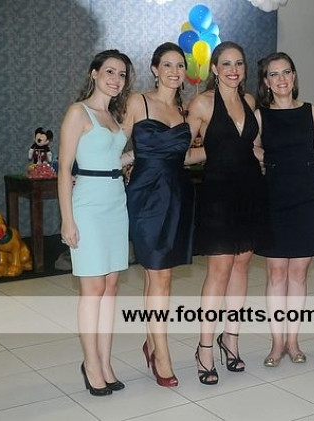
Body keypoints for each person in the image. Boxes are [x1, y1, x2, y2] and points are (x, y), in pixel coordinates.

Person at [122, 42, 204, 388]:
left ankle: (151, 343)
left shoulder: (185, 112)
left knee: (156, 276)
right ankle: (162, 355)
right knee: (160, 276)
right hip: (145, 197)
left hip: (178, 196)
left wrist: (221, 150)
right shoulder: (137, 102)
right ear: (155, 69)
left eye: (179, 65)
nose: (174, 71)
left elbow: (183, 157)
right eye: (167, 65)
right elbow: (116, 145)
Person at [187, 41, 267, 385]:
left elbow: (253, 147)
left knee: (242, 265)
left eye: (239, 63)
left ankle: (230, 338)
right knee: (219, 270)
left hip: (249, 190)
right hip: (218, 193)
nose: (233, 70)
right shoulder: (202, 103)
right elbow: (183, 152)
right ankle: (205, 347)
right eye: (226, 64)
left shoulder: (249, 101)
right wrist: (214, 150)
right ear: (214, 69)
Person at [58, 49, 134, 396]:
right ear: (94, 73)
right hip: (87, 204)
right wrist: (67, 220)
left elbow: (111, 158)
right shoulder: (78, 112)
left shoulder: (114, 116)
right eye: (110, 72)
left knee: (111, 288)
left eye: (122, 74)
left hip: (116, 202)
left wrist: (137, 155)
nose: (116, 79)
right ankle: (90, 364)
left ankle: (105, 361)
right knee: (92, 290)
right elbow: (64, 170)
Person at [254, 52, 314, 367]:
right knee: (276, 272)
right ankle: (276, 342)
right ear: (266, 82)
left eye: (286, 72)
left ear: (294, 76)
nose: (281, 79)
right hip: (273, 197)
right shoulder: (260, 115)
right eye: (274, 74)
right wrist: (264, 160)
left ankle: (293, 341)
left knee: (298, 272)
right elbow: (250, 146)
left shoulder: (312, 112)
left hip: (307, 197)